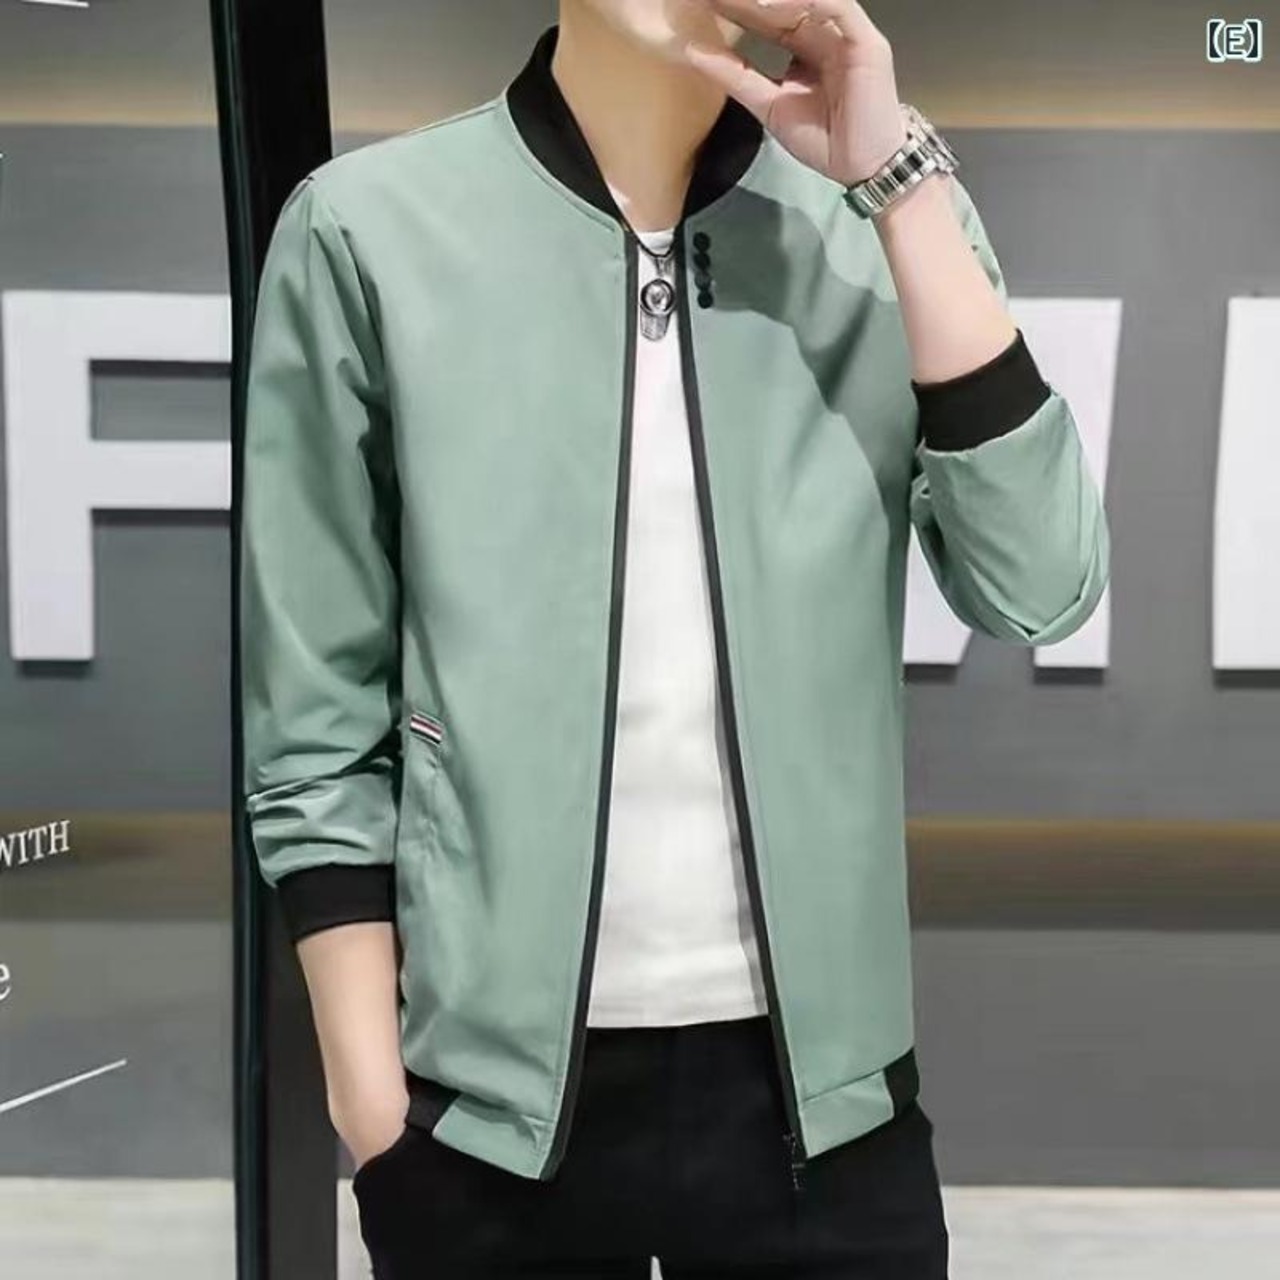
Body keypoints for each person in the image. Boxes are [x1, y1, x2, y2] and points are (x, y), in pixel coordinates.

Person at [239, 1, 1110, 1276]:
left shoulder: (878, 218)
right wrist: (372, 1105)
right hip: (484, 1126)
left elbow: (1039, 586)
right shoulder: (369, 229)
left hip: (824, 1119)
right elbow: (313, 709)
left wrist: (897, 187)